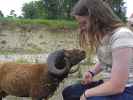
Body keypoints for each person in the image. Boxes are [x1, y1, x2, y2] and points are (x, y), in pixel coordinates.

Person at [62, 0, 133, 100]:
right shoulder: (104, 36)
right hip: (108, 84)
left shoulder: (122, 36)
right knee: (69, 92)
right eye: (79, 23)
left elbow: (118, 86)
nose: (81, 28)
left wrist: (87, 94)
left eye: (84, 23)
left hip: (127, 90)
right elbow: (108, 59)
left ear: (97, 18)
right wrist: (92, 72)